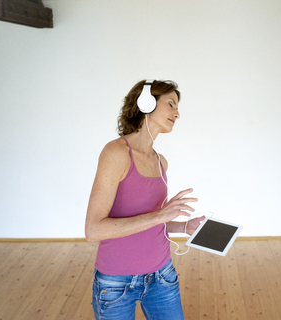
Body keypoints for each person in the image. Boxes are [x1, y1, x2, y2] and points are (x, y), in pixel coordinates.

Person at [85, 79, 205, 320]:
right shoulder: (116, 153)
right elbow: (93, 230)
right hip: (116, 282)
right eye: (171, 104)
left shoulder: (161, 162)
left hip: (162, 276)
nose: (177, 113)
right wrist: (161, 215)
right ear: (146, 102)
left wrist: (182, 226)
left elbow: (151, 224)